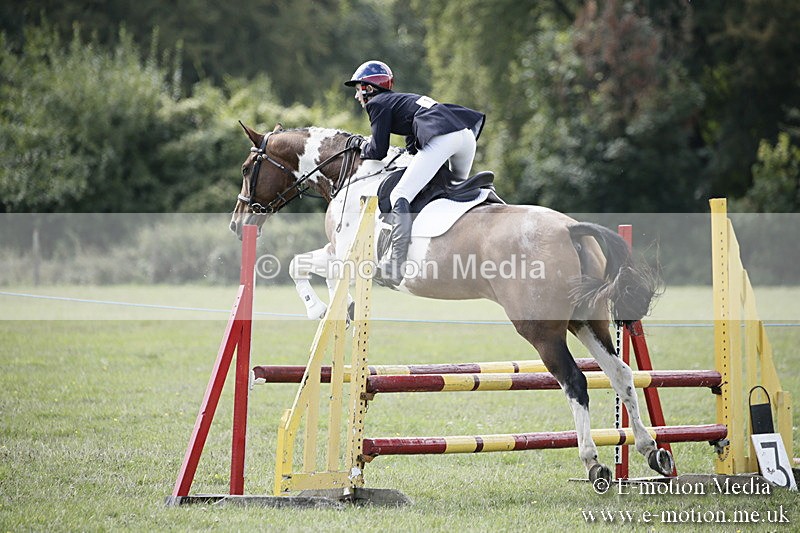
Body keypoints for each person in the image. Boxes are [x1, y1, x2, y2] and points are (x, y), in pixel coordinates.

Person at [344, 60, 485, 285]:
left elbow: (378, 150)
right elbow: (413, 145)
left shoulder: (377, 103)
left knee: (399, 194)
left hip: (445, 137)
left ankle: (394, 264)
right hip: (465, 135)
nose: (356, 96)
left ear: (368, 88)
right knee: (455, 191)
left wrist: (360, 146)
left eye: (357, 89)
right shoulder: (402, 100)